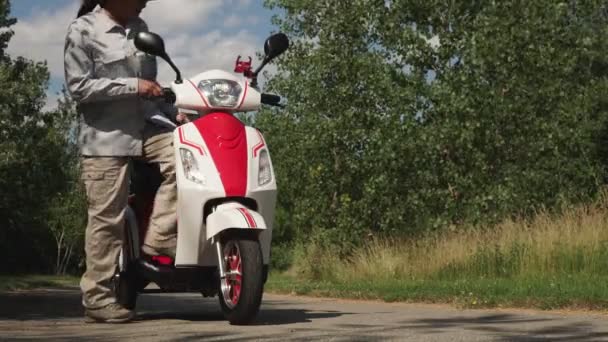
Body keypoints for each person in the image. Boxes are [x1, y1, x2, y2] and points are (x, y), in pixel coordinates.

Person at [64, 0, 182, 323]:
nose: (145, 1)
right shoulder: (83, 30)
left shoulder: (141, 30)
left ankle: (156, 242)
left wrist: (175, 112)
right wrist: (133, 86)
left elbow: (152, 91)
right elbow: (79, 86)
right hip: (105, 138)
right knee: (107, 218)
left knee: (189, 159)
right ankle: (97, 299)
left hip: (147, 129)